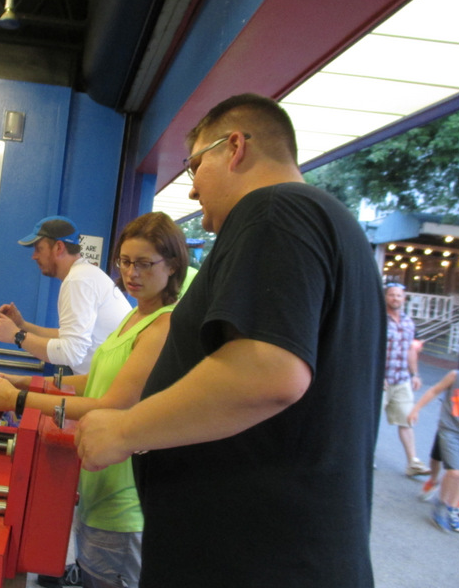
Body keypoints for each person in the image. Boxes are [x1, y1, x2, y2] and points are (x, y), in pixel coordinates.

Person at [74, 93, 385, 587]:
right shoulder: (331, 226)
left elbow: (268, 373)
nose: (192, 190)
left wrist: (125, 430)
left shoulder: (274, 209)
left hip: (255, 560)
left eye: (195, 165)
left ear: (235, 147)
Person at [0, 212, 188, 588]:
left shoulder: (162, 326)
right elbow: (92, 380)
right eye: (125, 261)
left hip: (123, 502)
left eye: (144, 263)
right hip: (97, 484)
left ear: (173, 265)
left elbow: (111, 404)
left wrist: (18, 400)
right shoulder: (135, 316)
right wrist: (26, 382)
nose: (131, 273)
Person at [0, 215, 131, 375]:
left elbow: (71, 353)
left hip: (110, 383)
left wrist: (16, 335)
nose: (34, 256)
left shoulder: (78, 280)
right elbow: (68, 337)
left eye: (39, 249)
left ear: (59, 248)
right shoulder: (85, 275)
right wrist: (22, 325)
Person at [407, 347, 459, 533]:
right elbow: (434, 391)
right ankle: (440, 505)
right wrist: (416, 409)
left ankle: (452, 510)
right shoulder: (456, 376)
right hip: (450, 431)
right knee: (454, 472)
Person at [383, 283, 431, 476]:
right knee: (369, 421)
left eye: (399, 295)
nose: (395, 298)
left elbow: (412, 350)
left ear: (404, 299)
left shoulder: (409, 322)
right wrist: (377, 374)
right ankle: (365, 458)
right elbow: (370, 348)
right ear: (385, 297)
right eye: (392, 295)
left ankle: (413, 462)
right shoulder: (378, 319)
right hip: (381, 380)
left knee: (406, 420)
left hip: (401, 378)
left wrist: (415, 374)